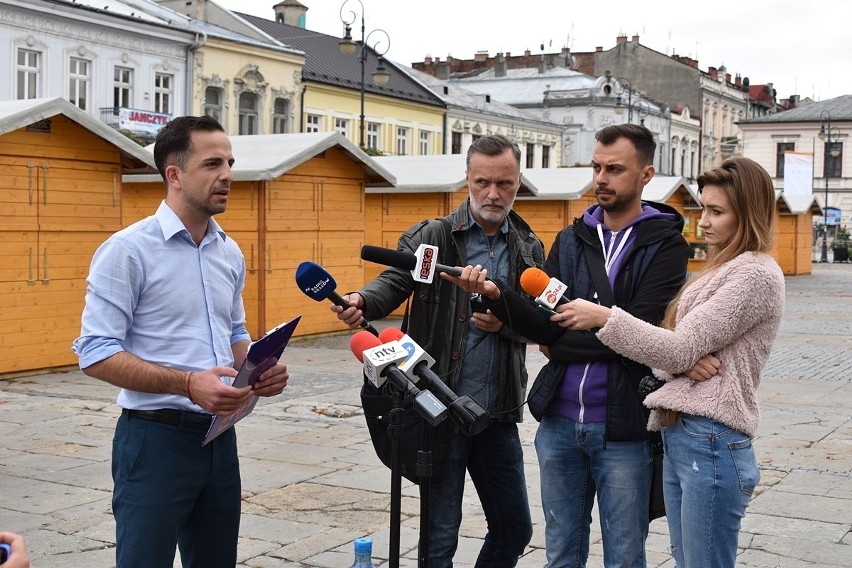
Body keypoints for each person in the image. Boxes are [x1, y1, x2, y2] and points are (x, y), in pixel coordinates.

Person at [444, 124, 692, 567]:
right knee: (560, 552)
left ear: (646, 174)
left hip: (623, 429)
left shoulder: (667, 246)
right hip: (558, 424)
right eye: (597, 167)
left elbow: (646, 337)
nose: (601, 178)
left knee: (624, 554)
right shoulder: (571, 239)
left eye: (615, 169)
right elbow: (546, 326)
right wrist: (503, 300)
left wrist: (570, 340)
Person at [72, 116, 290, 568]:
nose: (227, 174)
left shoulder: (227, 250)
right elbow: (95, 353)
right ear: (174, 174)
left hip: (218, 441)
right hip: (153, 441)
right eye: (212, 163)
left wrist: (258, 369)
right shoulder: (127, 250)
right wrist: (189, 384)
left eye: (230, 162)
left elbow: (233, 333)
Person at [559, 156, 785, 568]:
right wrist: (681, 361)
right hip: (686, 434)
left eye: (717, 212)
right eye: (703, 209)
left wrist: (606, 317)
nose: (704, 222)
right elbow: (674, 352)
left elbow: (676, 347)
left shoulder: (754, 274)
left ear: (748, 214)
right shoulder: (722, 269)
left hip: (713, 437)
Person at [333, 134, 544, 567]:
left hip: (497, 412)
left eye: (504, 183)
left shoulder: (528, 245)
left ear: (518, 181)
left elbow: (541, 323)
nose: (493, 193)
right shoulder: (436, 237)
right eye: (482, 181)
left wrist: (508, 325)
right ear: (467, 178)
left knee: (515, 529)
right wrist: (362, 301)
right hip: (438, 408)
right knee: (439, 539)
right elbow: (395, 280)